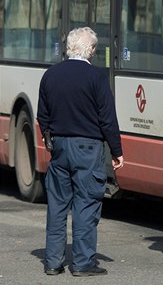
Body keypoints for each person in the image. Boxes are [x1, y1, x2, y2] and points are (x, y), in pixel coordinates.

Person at [37, 27, 124, 277]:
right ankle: (83, 263)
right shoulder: (96, 78)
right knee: (86, 204)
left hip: (60, 147)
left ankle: (53, 261)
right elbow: (107, 119)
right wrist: (117, 151)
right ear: (92, 50)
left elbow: (42, 115)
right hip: (88, 148)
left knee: (57, 205)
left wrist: (50, 139)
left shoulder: (50, 75)